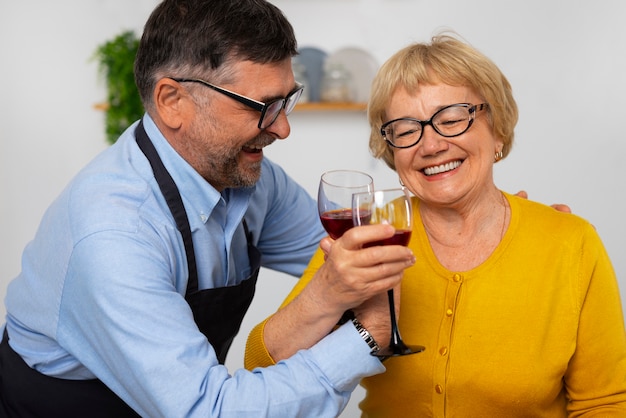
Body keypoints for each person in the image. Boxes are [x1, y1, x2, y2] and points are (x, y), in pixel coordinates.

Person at [0, 0, 419, 416]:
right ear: (172, 101)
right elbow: (210, 410)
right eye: (261, 107)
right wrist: (366, 338)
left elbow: (346, 259)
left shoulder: (252, 180)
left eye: (287, 100)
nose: (283, 128)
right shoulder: (114, 234)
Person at [245, 33, 626, 416]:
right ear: (391, 149)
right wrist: (328, 291)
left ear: (497, 128)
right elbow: (260, 363)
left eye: (452, 119)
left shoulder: (571, 243)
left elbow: (605, 403)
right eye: (407, 129)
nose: (430, 145)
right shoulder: (371, 234)